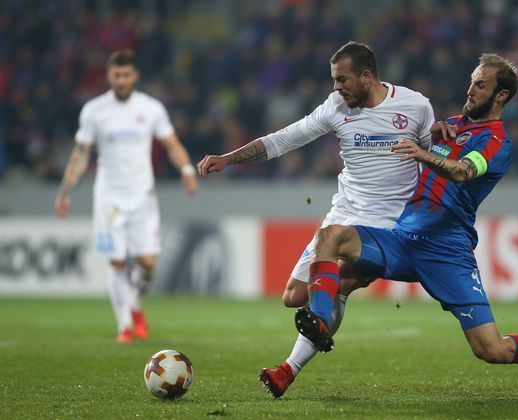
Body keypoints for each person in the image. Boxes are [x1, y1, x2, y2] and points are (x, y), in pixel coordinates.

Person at [295, 53, 518, 396]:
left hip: (446, 250)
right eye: (471, 82)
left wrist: (425, 154)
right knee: (331, 237)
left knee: (490, 349)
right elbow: (424, 140)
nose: (471, 90)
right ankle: (319, 321)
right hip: (404, 239)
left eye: (481, 85)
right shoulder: (452, 124)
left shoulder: (496, 141)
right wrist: (429, 135)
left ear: (501, 96)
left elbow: (462, 171)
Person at [197, 41, 435, 397]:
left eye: (342, 80)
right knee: (293, 297)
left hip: (389, 225)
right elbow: (284, 140)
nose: (336, 87)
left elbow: (433, 160)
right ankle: (320, 320)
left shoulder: (415, 106)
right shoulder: (337, 107)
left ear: (366, 76)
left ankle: (288, 369)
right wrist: (228, 159)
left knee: (338, 284)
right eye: (334, 80)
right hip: (344, 212)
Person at [54, 49, 197, 343]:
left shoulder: (151, 108)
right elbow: (81, 155)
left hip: (143, 195)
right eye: (116, 75)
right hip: (109, 198)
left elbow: (171, 143)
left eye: (126, 75)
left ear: (135, 76)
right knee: (117, 261)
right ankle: (124, 326)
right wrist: (65, 192)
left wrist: (185, 169)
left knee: (147, 264)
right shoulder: (94, 110)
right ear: (109, 75)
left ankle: (134, 304)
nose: (121, 80)